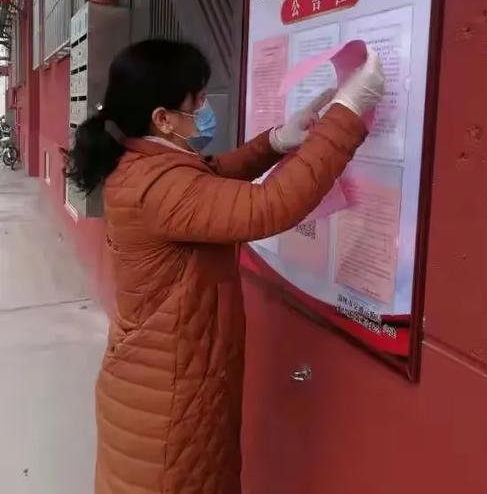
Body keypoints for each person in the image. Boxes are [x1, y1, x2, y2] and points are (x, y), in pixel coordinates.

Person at [65, 38, 384, 494]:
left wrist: (275, 142)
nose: (205, 107)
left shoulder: (143, 162)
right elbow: (269, 206)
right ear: (162, 118)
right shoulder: (158, 187)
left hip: (157, 384)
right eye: (197, 100)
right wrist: (347, 114)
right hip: (166, 407)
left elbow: (208, 178)